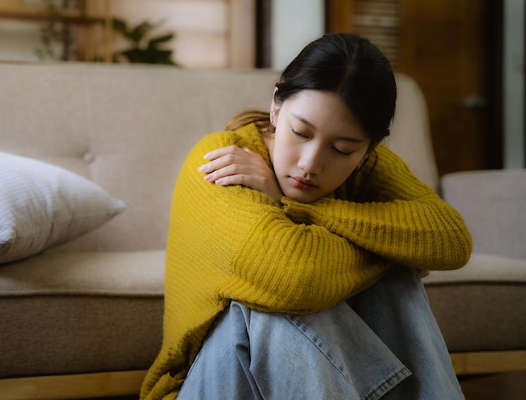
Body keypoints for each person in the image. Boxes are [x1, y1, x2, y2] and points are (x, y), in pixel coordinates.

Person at [140, 33, 472, 400]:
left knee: (391, 283)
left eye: (341, 149)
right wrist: (393, 257)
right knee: (272, 305)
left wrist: (297, 206)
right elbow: (294, 277)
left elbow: (451, 239)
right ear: (276, 108)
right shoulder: (223, 159)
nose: (310, 163)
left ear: (368, 150)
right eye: (301, 132)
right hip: (201, 386)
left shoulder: (367, 167)